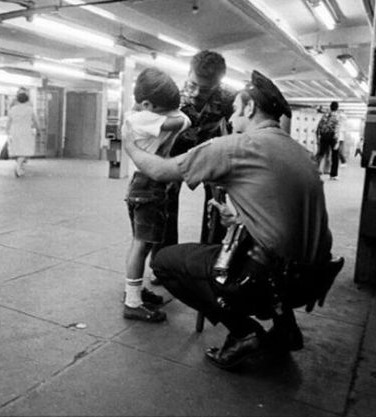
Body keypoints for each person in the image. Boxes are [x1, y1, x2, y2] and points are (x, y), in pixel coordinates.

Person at [122, 70, 343, 370]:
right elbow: (283, 212)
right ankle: (284, 328)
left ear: (250, 109)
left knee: (164, 262)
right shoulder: (301, 152)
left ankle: (244, 334)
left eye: (236, 111)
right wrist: (240, 218)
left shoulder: (236, 146)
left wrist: (131, 146)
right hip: (310, 280)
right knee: (266, 251)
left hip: (267, 279)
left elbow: (161, 171)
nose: (232, 120)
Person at [121, 68, 191, 322]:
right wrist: (177, 112)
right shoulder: (142, 118)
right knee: (142, 245)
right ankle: (132, 302)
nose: (166, 114)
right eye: (163, 109)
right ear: (148, 104)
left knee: (143, 242)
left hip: (145, 186)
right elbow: (183, 121)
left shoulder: (141, 115)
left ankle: (136, 290)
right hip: (147, 186)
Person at [164, 50, 235, 248]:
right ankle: (162, 260)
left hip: (209, 151)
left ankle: (210, 252)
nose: (195, 94)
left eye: (204, 89)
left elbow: (238, 128)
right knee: (165, 201)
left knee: (217, 201)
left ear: (218, 84)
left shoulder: (229, 98)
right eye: (193, 85)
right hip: (176, 150)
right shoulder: (171, 95)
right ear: (188, 73)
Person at [6, 87, 39, 177]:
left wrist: (7, 131)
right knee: (26, 150)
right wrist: (38, 129)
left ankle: (19, 167)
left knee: (18, 150)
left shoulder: (12, 109)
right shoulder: (30, 109)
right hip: (26, 131)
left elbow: (9, 121)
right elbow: (35, 121)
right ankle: (18, 167)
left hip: (15, 131)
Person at [316, 102, 340, 177]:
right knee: (335, 156)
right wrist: (337, 141)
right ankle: (333, 175)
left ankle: (314, 171)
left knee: (320, 154)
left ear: (330, 107)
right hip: (332, 137)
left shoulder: (325, 115)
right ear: (337, 108)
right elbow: (336, 128)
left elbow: (319, 125)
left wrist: (318, 136)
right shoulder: (336, 116)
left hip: (323, 136)